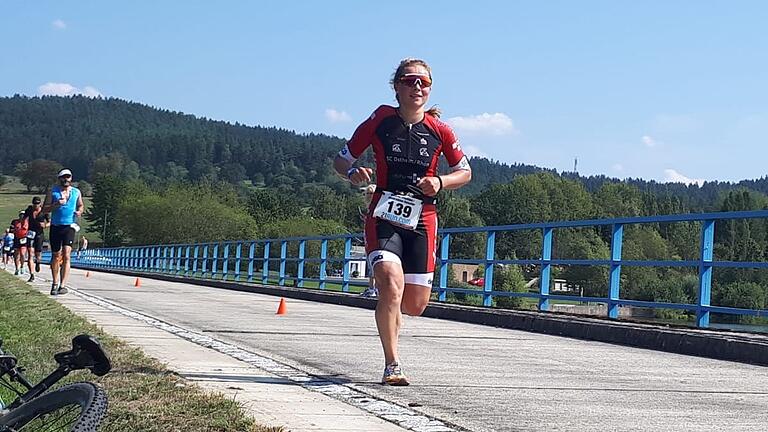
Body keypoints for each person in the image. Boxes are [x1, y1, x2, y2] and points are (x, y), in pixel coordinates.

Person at [333, 58, 472, 385]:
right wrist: (353, 173)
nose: (417, 87)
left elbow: (465, 171)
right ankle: (392, 364)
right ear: (396, 86)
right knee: (390, 284)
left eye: (423, 82)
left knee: (413, 304)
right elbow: (341, 159)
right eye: (409, 81)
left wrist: (440, 182)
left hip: (423, 218)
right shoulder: (380, 119)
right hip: (384, 215)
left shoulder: (441, 130)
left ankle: (393, 314)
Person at [43, 168, 83, 295]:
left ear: (71, 178)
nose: (66, 179)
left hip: (69, 226)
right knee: (56, 255)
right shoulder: (52, 192)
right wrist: (56, 205)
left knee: (66, 255)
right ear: (59, 179)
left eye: (68, 177)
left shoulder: (76, 192)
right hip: (56, 226)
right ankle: (54, 283)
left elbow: (81, 205)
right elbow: (44, 209)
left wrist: (79, 211)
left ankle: (63, 285)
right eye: (63, 177)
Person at [359, 184, 378, 298]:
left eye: (372, 193)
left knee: (376, 266)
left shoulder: (379, 207)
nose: (370, 196)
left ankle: (375, 289)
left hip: (377, 239)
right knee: (371, 266)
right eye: (369, 193)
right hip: (369, 239)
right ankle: (372, 289)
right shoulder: (369, 209)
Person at [24, 196, 50, 281]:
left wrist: (45, 225)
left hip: (39, 234)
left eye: (37, 204)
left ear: (40, 204)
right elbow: (23, 219)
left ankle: (38, 262)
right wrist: (24, 224)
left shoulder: (44, 212)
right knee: (30, 253)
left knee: (38, 253)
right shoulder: (29, 210)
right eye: (34, 204)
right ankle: (32, 275)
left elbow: (50, 222)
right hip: (31, 233)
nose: (36, 205)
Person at [10, 210, 29, 276]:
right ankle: (16, 268)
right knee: (16, 255)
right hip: (17, 239)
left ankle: (22, 266)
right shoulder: (15, 221)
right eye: (21, 215)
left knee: (22, 254)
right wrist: (15, 229)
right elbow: (11, 230)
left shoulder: (27, 222)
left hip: (24, 239)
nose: (22, 216)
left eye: (23, 215)